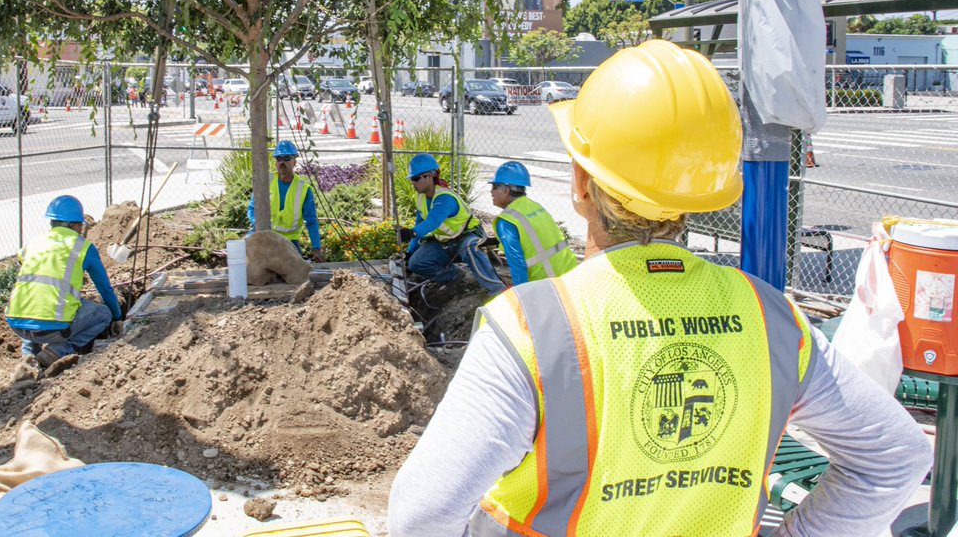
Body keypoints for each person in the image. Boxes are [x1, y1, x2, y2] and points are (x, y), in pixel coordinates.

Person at [389, 40, 930, 536]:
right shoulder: (773, 321)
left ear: (580, 182)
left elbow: (423, 515)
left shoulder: (532, 329)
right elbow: (897, 457)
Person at [6, 195, 124, 381]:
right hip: (53, 329)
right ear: (74, 225)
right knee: (102, 314)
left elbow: (25, 264)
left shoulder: (33, 243)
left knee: (34, 304)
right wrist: (117, 316)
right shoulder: (83, 248)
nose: (81, 229)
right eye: (80, 225)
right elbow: (105, 288)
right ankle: (56, 351)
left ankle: (28, 356)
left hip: (16, 323)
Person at [400, 154, 504, 294]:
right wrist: (410, 252)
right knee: (416, 262)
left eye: (416, 178)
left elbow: (433, 221)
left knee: (471, 248)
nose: (413, 182)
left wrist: (411, 232)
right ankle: (455, 276)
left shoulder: (445, 198)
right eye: (412, 179)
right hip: (445, 243)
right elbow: (419, 222)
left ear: (430, 176)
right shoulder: (421, 198)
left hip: (467, 237)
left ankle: (497, 289)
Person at [490, 161, 577, 285]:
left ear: (506, 190)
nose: (491, 192)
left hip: (547, 283)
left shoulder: (506, 221)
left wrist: (521, 295)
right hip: (570, 273)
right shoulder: (535, 207)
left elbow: (518, 265)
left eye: (494, 187)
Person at [247, 140, 326, 262]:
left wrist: (316, 249)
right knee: (245, 260)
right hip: (266, 236)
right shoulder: (266, 182)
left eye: (286, 158)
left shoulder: (304, 189)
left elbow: (311, 221)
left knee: (294, 274)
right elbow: (252, 209)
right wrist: (257, 225)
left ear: (295, 161)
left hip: (290, 241)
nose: (282, 162)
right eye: (278, 159)